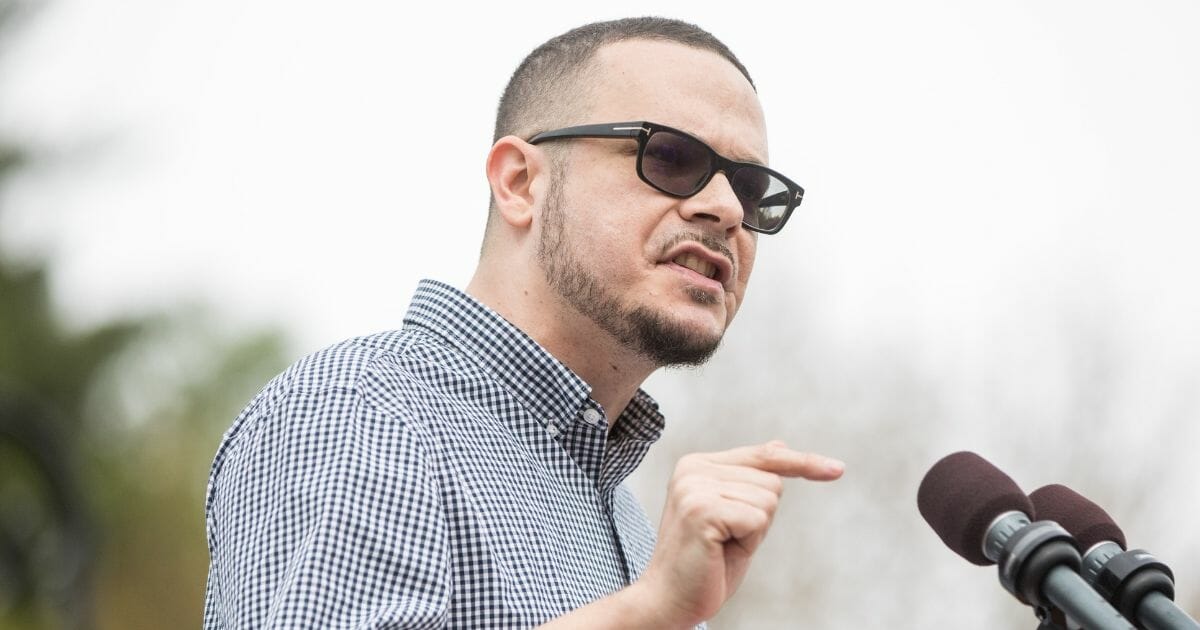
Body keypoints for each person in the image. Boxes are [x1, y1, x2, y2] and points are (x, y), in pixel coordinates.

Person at [203, 16, 844, 629]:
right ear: (519, 182)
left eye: (753, 189)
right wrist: (646, 614)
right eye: (672, 158)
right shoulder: (359, 412)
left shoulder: (633, 523)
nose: (727, 208)